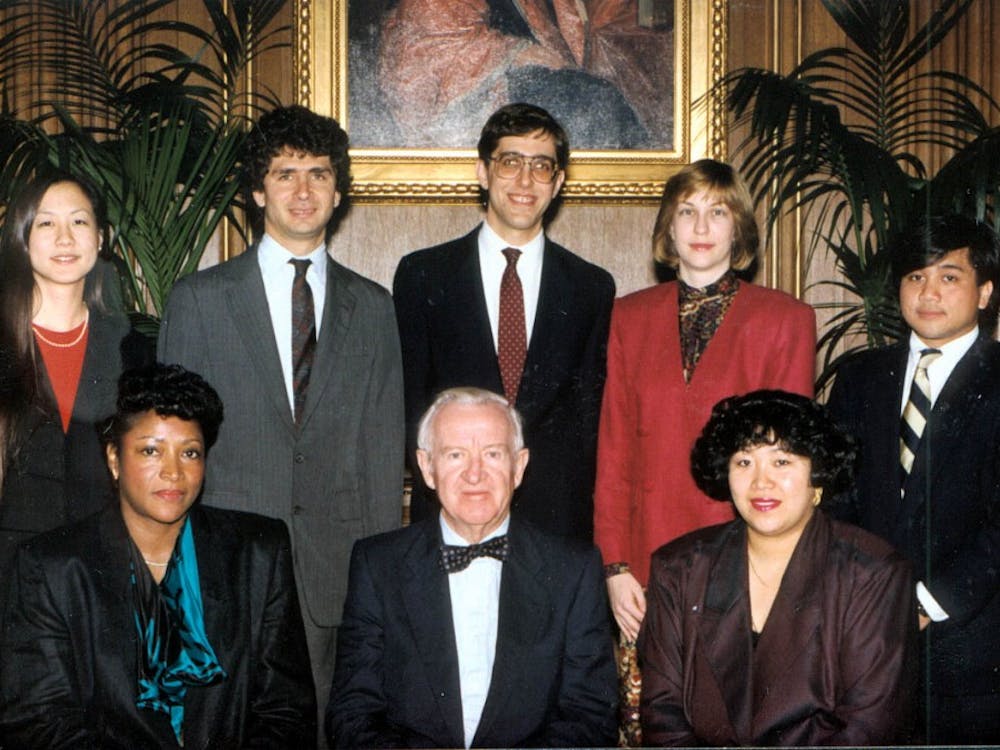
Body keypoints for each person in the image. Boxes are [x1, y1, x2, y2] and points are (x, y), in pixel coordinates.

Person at [157, 105, 404, 715]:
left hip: (334, 574)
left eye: (318, 174)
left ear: (338, 191)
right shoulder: (198, 301)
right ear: (257, 188)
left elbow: (381, 452)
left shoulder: (373, 308)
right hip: (226, 566)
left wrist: (377, 583)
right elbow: (171, 450)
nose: (302, 189)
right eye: (286, 172)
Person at [0, 363, 316, 747]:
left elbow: (286, 712)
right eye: (151, 450)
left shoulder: (259, 552)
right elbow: (41, 722)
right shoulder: (51, 567)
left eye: (190, 453)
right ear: (115, 459)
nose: (173, 472)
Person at [595, 158, 816, 642]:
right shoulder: (627, 318)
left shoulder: (786, 320)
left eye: (717, 213)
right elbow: (613, 452)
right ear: (667, 229)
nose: (700, 227)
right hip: (644, 561)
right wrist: (614, 566)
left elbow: (786, 467)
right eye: (686, 211)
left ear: (738, 228)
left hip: (743, 557)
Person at [327, 387, 618, 748]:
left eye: (493, 454)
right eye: (455, 455)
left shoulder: (573, 570)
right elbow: (352, 714)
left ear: (519, 466)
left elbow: (591, 717)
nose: (475, 474)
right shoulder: (377, 565)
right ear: (427, 468)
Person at [640, 390, 916, 746]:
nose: (761, 482)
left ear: (817, 477)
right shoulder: (678, 568)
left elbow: (869, 725)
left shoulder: (874, 574)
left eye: (782, 462)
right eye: (744, 462)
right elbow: (663, 716)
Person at [393, 103, 615, 541]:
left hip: (555, 524)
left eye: (541, 166)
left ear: (559, 183)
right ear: (483, 171)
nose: (525, 181)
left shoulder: (591, 287)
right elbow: (409, 407)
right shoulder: (423, 275)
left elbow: (590, 424)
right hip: (450, 513)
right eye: (510, 162)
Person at [826, 214, 1000, 743]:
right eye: (915, 277)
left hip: (972, 646)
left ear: (986, 291)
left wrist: (923, 605)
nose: (929, 293)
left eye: (949, 277)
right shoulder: (859, 375)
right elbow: (836, 499)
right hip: (865, 641)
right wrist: (870, 604)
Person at [0, 171, 153, 579]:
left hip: (105, 573)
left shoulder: (135, 352)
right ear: (22, 236)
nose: (65, 238)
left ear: (101, 238)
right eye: (46, 222)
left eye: (79, 221)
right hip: (9, 572)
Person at [373, 0, 672, 149]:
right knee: (595, 102)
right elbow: (433, 44)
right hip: (475, 95)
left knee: (600, 100)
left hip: (523, 84)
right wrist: (516, 52)